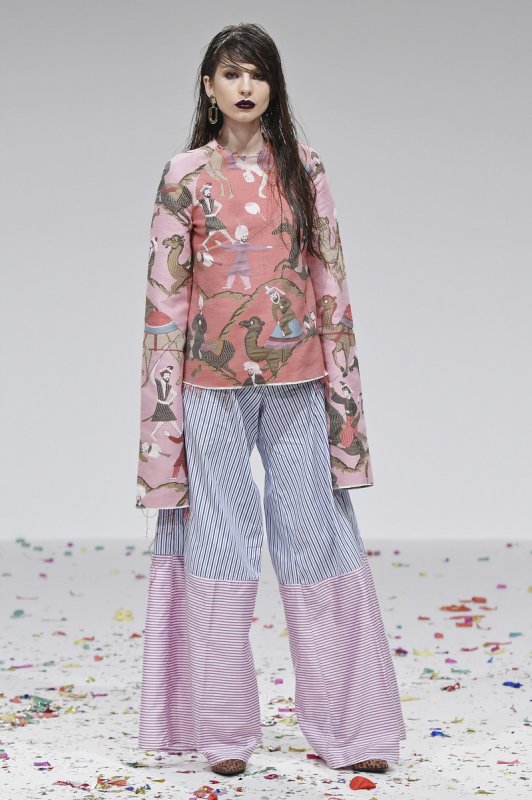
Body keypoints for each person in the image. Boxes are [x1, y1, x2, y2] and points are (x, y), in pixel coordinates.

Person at [136, 22, 406, 778]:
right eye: (231, 73)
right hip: (208, 388)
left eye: (257, 74)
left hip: (300, 380)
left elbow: (330, 283)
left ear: (274, 86)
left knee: (315, 539)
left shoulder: (304, 168)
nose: (246, 86)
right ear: (209, 87)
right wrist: (160, 427)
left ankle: (353, 726)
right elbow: (165, 302)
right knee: (218, 546)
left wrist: (345, 402)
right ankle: (221, 732)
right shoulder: (185, 174)